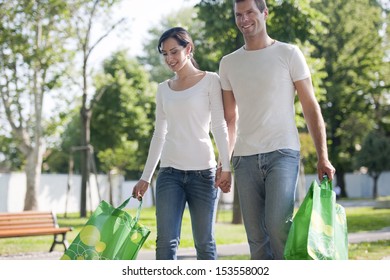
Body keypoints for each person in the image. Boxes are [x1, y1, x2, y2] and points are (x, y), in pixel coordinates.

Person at [219, 0, 336, 260]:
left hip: (282, 153)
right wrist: (224, 162)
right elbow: (230, 120)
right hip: (245, 158)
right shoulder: (228, 63)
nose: (244, 19)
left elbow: (310, 107)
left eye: (250, 12)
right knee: (256, 238)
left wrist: (323, 156)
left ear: (265, 14)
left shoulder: (289, 54)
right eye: (239, 14)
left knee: (277, 226)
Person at [132, 27, 232, 260]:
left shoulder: (210, 81)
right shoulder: (163, 90)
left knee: (205, 244)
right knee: (165, 244)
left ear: (188, 49)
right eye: (165, 54)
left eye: (174, 51)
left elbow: (219, 125)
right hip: (169, 175)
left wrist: (226, 166)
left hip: (203, 175)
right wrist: (146, 176)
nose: (169, 59)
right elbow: (159, 134)